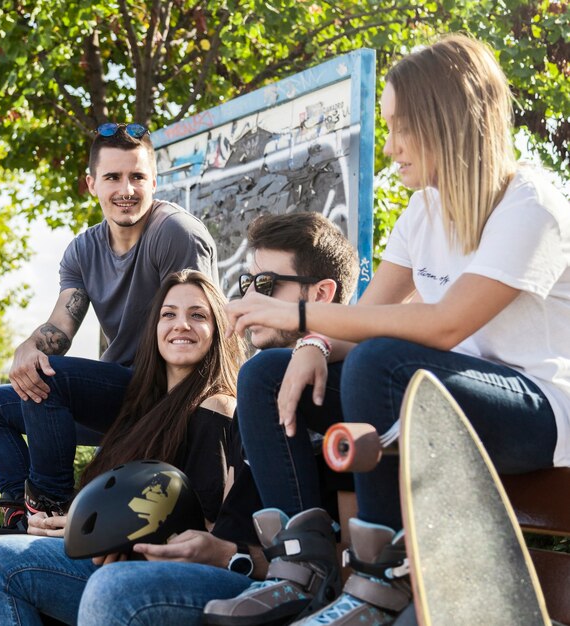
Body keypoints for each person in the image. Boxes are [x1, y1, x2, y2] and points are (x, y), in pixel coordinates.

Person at [212, 33, 570, 625]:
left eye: (403, 126)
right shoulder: (422, 213)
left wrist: (298, 315)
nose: (392, 146)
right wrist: (311, 345)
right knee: (265, 373)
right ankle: (302, 568)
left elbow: (444, 324)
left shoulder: (532, 206)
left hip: (535, 412)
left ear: (448, 122)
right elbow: (366, 314)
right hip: (434, 396)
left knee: (383, 362)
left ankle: (382, 583)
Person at [0, 212, 360, 626]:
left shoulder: (321, 402)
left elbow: (343, 566)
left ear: (321, 294)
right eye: (245, 286)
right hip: (211, 567)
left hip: (244, 582)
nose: (245, 303)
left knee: (113, 586)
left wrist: (228, 554)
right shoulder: (257, 390)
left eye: (264, 286)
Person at [0, 269, 245, 625]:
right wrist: (66, 523)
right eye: (168, 314)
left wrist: (107, 534)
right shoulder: (141, 407)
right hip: (108, 558)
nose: (181, 325)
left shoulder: (215, 407)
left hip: (148, 572)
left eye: (198, 315)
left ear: (217, 330)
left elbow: (205, 528)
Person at [0, 123, 218, 525]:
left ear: (154, 181)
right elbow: (60, 328)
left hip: (166, 389)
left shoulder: (175, 233)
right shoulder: (82, 250)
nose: (127, 189)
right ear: (91, 183)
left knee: (52, 381)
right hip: (119, 391)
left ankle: (52, 506)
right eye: (113, 177)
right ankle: (24, 518)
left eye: (137, 176)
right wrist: (31, 347)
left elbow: (199, 330)